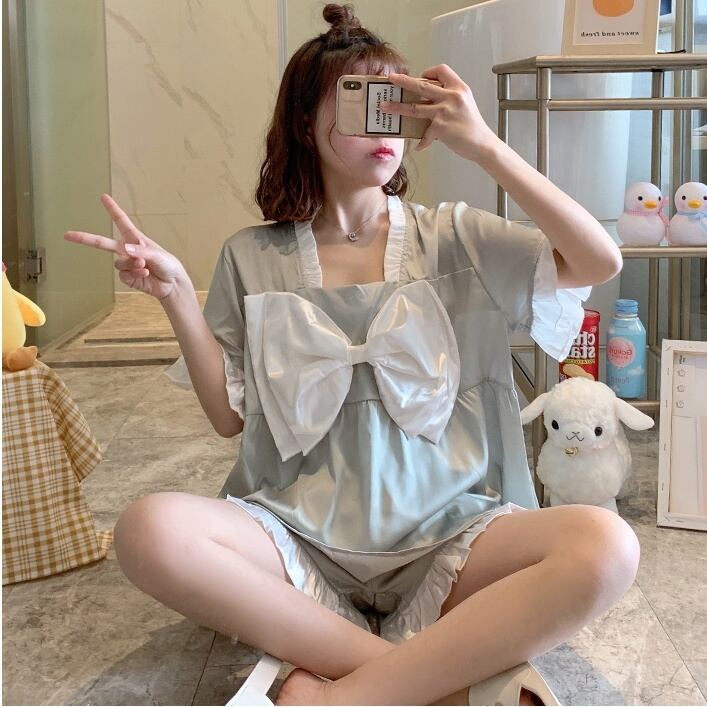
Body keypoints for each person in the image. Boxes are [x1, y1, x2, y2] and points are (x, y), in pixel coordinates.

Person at [64, 4, 640, 705]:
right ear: (304, 122)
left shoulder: (456, 236)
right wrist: (178, 293)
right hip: (295, 534)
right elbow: (227, 419)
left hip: (452, 533)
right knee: (147, 530)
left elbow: (598, 261)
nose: (384, 122)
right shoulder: (251, 255)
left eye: (397, 101)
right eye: (360, 100)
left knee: (607, 545)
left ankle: (342, 693)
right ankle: (427, 681)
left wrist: (485, 145)